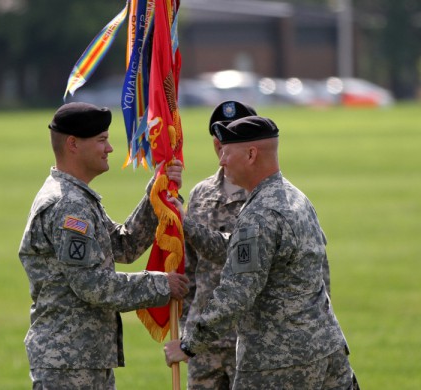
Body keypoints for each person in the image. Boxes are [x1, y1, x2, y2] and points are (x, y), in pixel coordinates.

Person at [165, 116, 359, 389]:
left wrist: (189, 344)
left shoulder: (259, 214)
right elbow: (242, 251)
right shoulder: (293, 197)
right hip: (326, 350)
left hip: (279, 363)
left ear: (251, 154)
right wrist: (187, 226)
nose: (221, 161)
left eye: (226, 152)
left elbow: (236, 294)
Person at [18, 102, 189, 390]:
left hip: (83, 360)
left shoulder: (78, 199)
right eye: (102, 140)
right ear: (73, 144)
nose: (110, 148)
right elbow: (94, 286)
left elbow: (123, 246)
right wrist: (162, 285)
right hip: (68, 365)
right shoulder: (68, 205)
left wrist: (156, 194)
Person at [180, 101, 256, 390]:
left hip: (248, 340)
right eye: (220, 137)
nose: (222, 145)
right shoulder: (201, 193)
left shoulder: (266, 196)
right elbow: (188, 268)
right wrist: (187, 327)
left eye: (234, 137)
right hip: (204, 341)